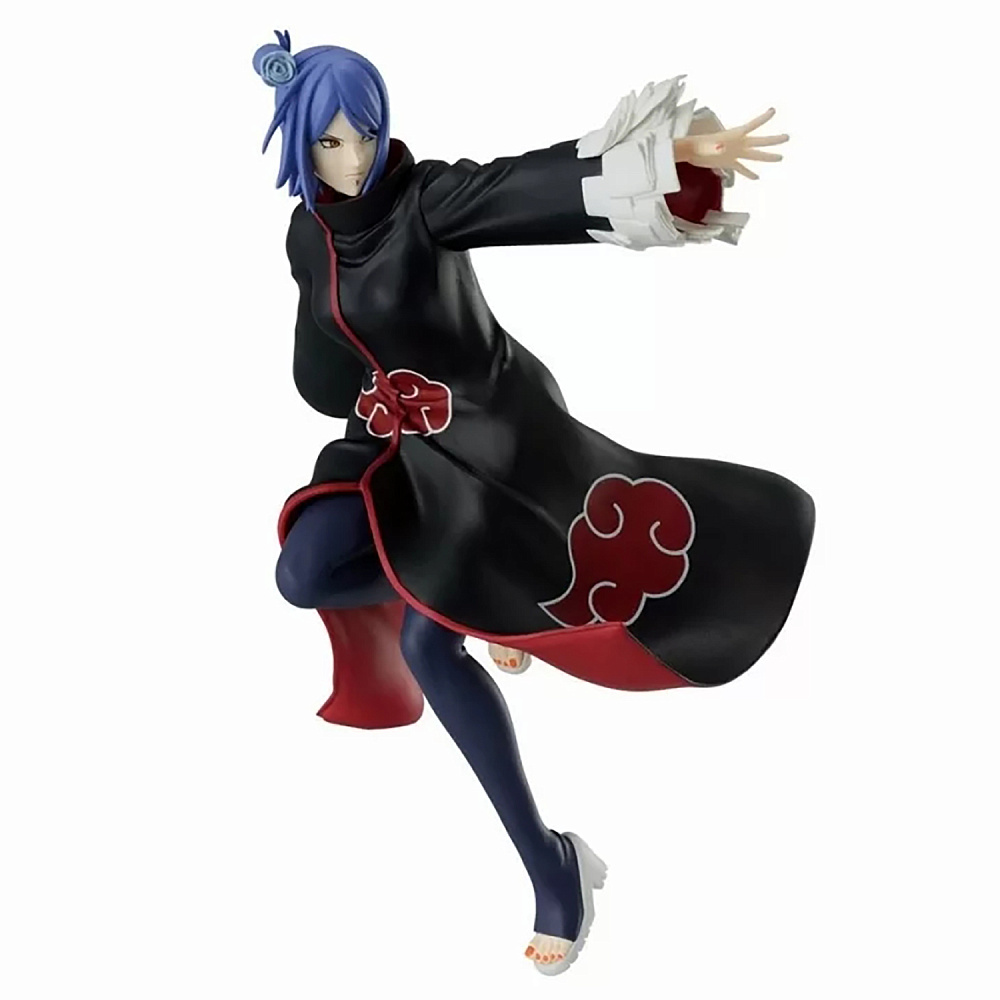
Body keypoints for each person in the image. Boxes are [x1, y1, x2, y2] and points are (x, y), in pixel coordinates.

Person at [254, 30, 814, 974]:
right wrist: (338, 351)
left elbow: (530, 188)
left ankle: (555, 867)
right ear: (298, 145)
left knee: (428, 645)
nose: (352, 160)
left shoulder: (427, 201)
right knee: (303, 574)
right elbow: (320, 378)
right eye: (329, 142)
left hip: (490, 444)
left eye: (365, 135)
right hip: (394, 444)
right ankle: (489, 607)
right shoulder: (306, 234)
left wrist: (666, 160)